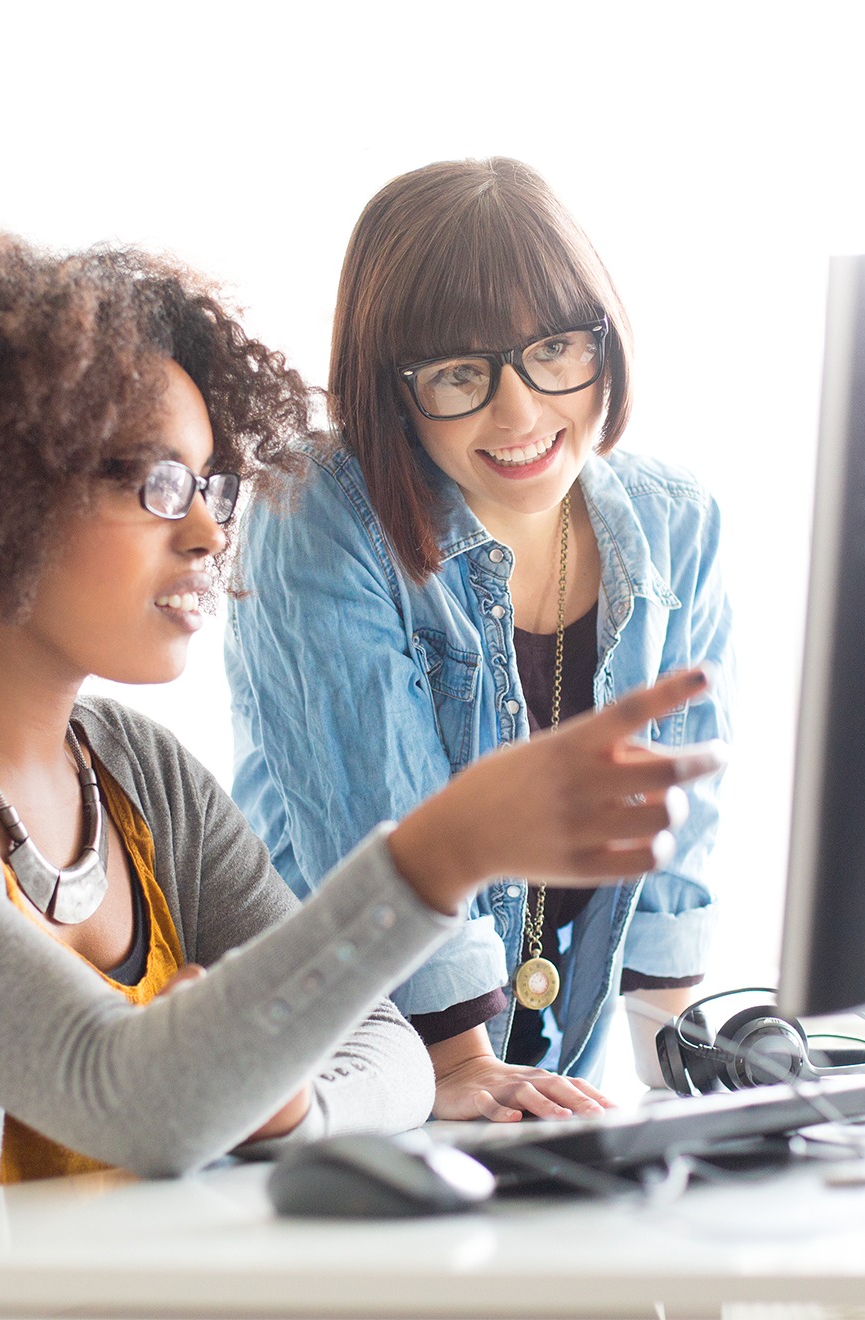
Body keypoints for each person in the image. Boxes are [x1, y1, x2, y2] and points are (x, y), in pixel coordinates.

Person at [0, 232, 720, 1220]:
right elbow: (141, 1098)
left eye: (210, 485)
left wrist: (288, 1105)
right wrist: (441, 852)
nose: (210, 531)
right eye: (154, 481)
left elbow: (388, 1053)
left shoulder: (135, 772)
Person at [226, 158, 734, 1119]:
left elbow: (677, 843)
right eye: (459, 374)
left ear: (602, 342)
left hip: (532, 1093)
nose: (519, 412)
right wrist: (459, 1063)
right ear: (391, 390)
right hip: (340, 1080)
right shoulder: (317, 510)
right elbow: (372, 821)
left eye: (553, 352)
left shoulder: (678, 524)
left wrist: (693, 1082)